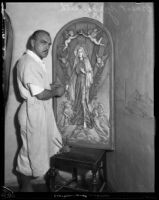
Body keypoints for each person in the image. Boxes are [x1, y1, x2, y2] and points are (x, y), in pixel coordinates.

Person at [16, 30, 66, 192]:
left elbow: (39, 88)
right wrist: (55, 92)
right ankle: (25, 186)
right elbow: (40, 94)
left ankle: (49, 176)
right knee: (29, 151)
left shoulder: (35, 61)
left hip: (39, 112)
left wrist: (51, 87)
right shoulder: (28, 62)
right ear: (32, 42)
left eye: (49, 44)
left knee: (44, 146)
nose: (47, 47)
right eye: (43, 42)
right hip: (32, 113)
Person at [67, 45, 93, 129]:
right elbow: (73, 75)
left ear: (84, 53)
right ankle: (79, 121)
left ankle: (86, 121)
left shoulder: (86, 61)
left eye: (81, 52)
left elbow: (90, 73)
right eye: (78, 52)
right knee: (78, 100)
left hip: (84, 82)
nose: (80, 53)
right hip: (78, 82)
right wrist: (69, 84)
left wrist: (84, 72)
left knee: (83, 100)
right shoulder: (77, 62)